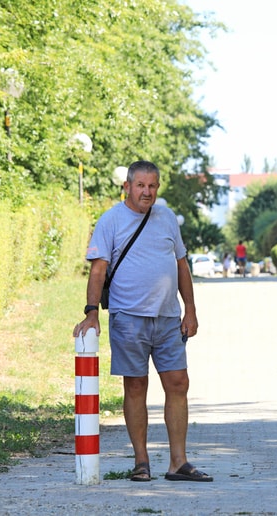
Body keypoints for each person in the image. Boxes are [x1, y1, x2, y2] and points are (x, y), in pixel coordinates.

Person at [72, 160, 212, 483]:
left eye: (152, 186)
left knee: (178, 384)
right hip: (128, 319)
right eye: (140, 186)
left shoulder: (167, 218)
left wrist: (190, 309)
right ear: (128, 186)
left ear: (157, 188)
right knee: (136, 386)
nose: (146, 192)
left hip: (167, 319)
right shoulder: (110, 220)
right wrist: (91, 312)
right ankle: (141, 462)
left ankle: (179, 462)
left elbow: (182, 266)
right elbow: (98, 270)